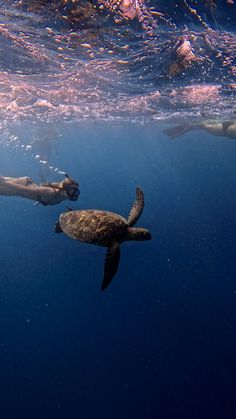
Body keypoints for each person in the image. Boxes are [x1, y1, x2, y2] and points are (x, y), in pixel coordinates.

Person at [0, 174, 80, 206]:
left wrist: (42, 200)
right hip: (23, 185)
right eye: (74, 190)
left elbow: (43, 198)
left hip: (25, 184)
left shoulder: (60, 198)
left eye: (76, 191)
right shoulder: (50, 192)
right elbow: (23, 189)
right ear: (66, 188)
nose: (76, 194)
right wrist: (4, 184)